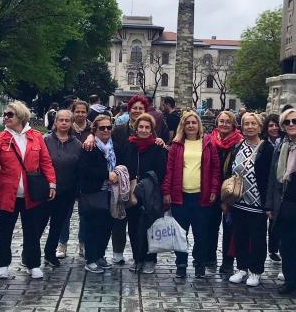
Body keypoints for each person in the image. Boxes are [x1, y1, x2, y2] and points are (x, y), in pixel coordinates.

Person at [0, 101, 56, 280]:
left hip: (31, 193)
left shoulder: (36, 137)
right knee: (4, 230)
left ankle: (33, 263)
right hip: (6, 193)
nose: (5, 117)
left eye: (9, 114)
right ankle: (2, 263)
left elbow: (45, 161)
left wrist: (51, 183)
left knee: (32, 231)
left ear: (20, 116)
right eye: (5, 114)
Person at [162, 111, 221, 279]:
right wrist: (166, 191)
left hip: (202, 196)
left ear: (199, 125)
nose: (191, 125)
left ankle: (199, 263)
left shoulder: (208, 143)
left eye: (194, 122)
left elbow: (216, 170)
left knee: (201, 233)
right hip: (180, 196)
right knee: (180, 233)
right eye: (187, 123)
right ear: (183, 125)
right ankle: (181, 263)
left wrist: (214, 190)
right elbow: (169, 170)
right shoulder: (177, 145)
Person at [266, 108, 296, 298]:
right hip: (283, 202)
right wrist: (269, 204)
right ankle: (290, 280)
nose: (291, 125)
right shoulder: (280, 145)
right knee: (286, 245)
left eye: (295, 121)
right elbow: (272, 176)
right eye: (287, 122)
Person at [223, 112, 273, 287]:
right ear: (242, 127)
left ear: (260, 127)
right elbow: (230, 171)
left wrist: (269, 203)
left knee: (258, 238)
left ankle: (256, 270)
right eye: (246, 124)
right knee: (239, 237)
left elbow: (271, 177)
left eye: (253, 124)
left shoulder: (267, 148)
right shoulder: (238, 146)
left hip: (258, 204)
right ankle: (242, 267)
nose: (249, 127)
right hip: (238, 201)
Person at [121, 113, 167, 274]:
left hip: (150, 192)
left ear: (152, 130)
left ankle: (150, 259)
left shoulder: (157, 147)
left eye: (147, 127)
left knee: (150, 226)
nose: (144, 130)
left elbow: (161, 171)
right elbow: (123, 166)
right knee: (133, 227)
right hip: (132, 191)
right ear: (136, 128)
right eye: (141, 127)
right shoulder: (129, 145)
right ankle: (137, 258)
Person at [79, 115, 118, 274]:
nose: (106, 130)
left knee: (106, 226)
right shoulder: (90, 146)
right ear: (95, 130)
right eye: (102, 128)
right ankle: (91, 258)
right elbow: (85, 170)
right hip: (94, 192)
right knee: (92, 226)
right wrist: (106, 174)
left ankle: (100, 255)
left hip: (111, 192)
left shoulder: (113, 146)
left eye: (108, 127)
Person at [44, 110, 83, 265]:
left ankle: (50, 252)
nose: (64, 123)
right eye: (61, 120)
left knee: (57, 224)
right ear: (56, 122)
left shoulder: (77, 144)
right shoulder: (46, 140)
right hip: (46, 189)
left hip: (67, 190)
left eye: (67, 120)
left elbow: (80, 167)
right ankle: (30, 254)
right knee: (39, 223)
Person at [209, 110, 243, 274]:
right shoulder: (210, 140)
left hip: (231, 190)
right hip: (211, 187)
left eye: (227, 122)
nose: (224, 124)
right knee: (211, 224)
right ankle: (210, 256)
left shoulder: (239, 142)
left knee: (230, 227)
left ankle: (228, 261)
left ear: (233, 125)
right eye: (221, 121)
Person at [262, 112, 283, 263]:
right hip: (266, 184)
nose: (274, 128)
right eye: (271, 125)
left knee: (279, 219)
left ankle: (277, 247)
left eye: (276, 125)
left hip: (281, 186)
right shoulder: (263, 143)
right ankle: (272, 248)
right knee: (270, 219)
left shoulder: (286, 141)